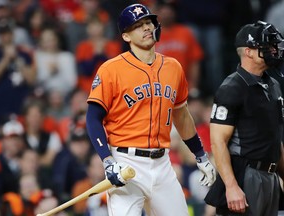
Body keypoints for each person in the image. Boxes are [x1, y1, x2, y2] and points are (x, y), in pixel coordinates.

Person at [86, 4, 216, 216]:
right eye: (138, 25)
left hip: (162, 163)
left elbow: (182, 116)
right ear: (126, 36)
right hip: (126, 162)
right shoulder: (111, 69)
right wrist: (108, 161)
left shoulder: (173, 67)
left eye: (148, 22)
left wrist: (200, 155)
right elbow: (93, 118)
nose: (146, 28)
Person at [204, 20, 284, 216]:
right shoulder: (232, 87)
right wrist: (231, 186)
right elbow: (218, 142)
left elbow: (275, 138)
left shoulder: (273, 84)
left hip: (271, 175)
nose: (274, 50)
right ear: (248, 51)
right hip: (245, 174)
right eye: (267, 46)